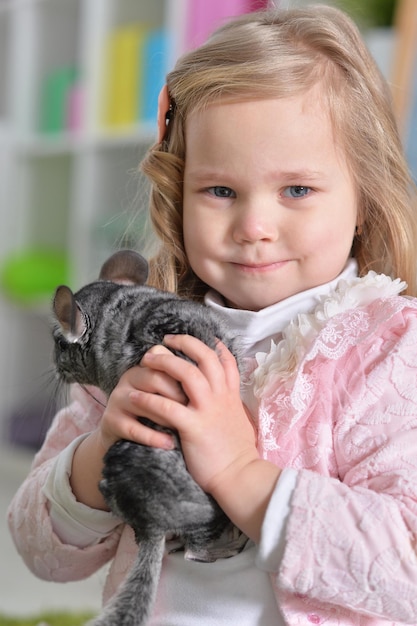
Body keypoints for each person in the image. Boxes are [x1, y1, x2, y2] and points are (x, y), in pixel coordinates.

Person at [8, 4, 417, 625]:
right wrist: (100, 451)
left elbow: (404, 569)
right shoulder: (135, 341)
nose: (254, 227)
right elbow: (40, 551)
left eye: (297, 190)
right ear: (179, 192)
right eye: (220, 191)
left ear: (363, 196)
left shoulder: (390, 353)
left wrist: (240, 472)